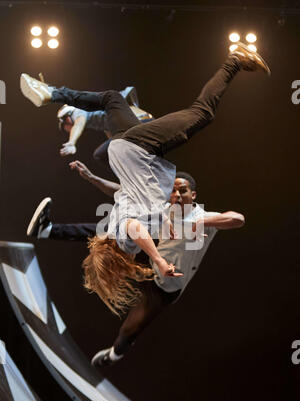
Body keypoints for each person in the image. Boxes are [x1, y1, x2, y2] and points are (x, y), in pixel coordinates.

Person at [21, 42, 270, 319]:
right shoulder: (112, 230)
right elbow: (121, 194)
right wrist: (92, 177)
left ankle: (234, 60)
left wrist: (159, 259)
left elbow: (135, 226)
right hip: (121, 154)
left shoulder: (125, 238)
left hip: (139, 152)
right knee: (112, 99)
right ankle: (54, 93)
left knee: (202, 113)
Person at [27, 163, 244, 366]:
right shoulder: (164, 207)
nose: (177, 196)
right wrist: (91, 177)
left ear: (193, 195)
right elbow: (122, 193)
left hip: (166, 284)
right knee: (111, 230)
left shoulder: (205, 216)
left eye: (183, 191)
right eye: (173, 191)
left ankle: (115, 354)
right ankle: (47, 230)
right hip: (149, 256)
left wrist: (201, 222)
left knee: (131, 328)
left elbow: (237, 218)